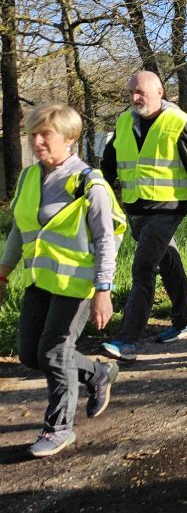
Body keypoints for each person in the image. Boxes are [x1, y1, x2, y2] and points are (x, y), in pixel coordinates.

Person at [0, 104, 125, 458]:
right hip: (41, 281)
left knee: (54, 353)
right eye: (32, 134)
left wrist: (104, 290)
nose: (37, 141)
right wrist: (4, 271)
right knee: (30, 353)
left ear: (69, 139)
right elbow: (20, 231)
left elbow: (105, 240)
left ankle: (58, 429)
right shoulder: (28, 177)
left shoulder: (89, 183)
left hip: (78, 285)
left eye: (45, 135)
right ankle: (97, 374)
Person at [100, 72, 187, 362]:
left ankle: (127, 340)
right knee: (167, 260)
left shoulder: (180, 123)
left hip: (167, 208)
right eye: (130, 92)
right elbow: (109, 161)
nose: (134, 98)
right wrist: (99, 192)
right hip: (136, 207)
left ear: (159, 92)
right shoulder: (124, 121)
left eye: (140, 92)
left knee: (143, 267)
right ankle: (183, 320)